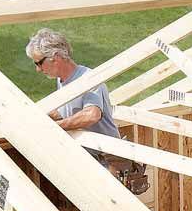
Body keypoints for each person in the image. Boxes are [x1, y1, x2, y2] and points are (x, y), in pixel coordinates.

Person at [26, 28, 148, 194]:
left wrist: (56, 127)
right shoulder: (63, 80)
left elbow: (92, 114)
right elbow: (66, 111)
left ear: (55, 57)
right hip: (89, 162)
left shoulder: (88, 79)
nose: (38, 69)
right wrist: (36, 115)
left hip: (108, 164)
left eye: (38, 63)